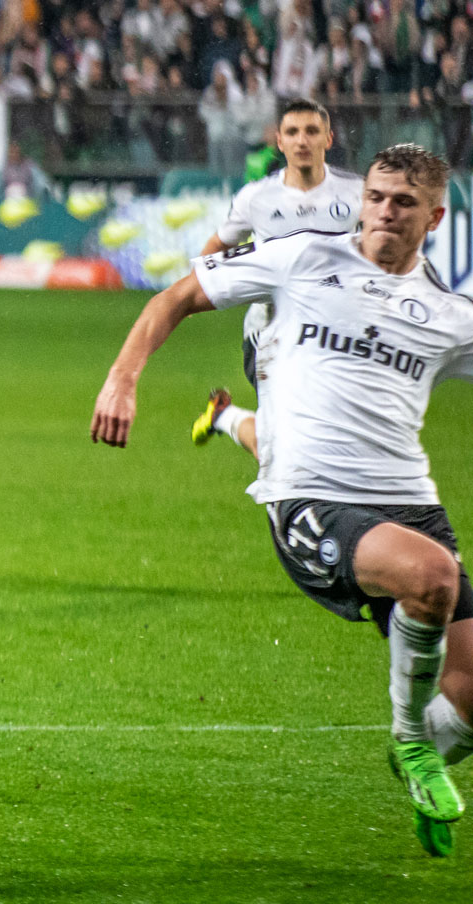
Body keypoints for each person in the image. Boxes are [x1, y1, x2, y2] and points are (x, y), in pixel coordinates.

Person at [91, 144, 473, 857]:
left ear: (436, 216)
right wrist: (122, 378)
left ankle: (421, 758)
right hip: (314, 504)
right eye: (378, 197)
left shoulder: (449, 315)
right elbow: (176, 296)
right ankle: (412, 739)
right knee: (433, 578)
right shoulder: (304, 258)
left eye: (403, 203)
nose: (386, 212)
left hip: (410, 505)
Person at [190, 100, 362, 459]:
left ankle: (224, 416)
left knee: (318, 444)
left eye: (312, 131)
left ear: (328, 139)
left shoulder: (357, 194)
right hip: (270, 336)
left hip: (337, 334)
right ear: (279, 142)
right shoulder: (257, 198)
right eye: (292, 132)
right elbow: (218, 245)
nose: (303, 140)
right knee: (288, 450)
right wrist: (191, 297)